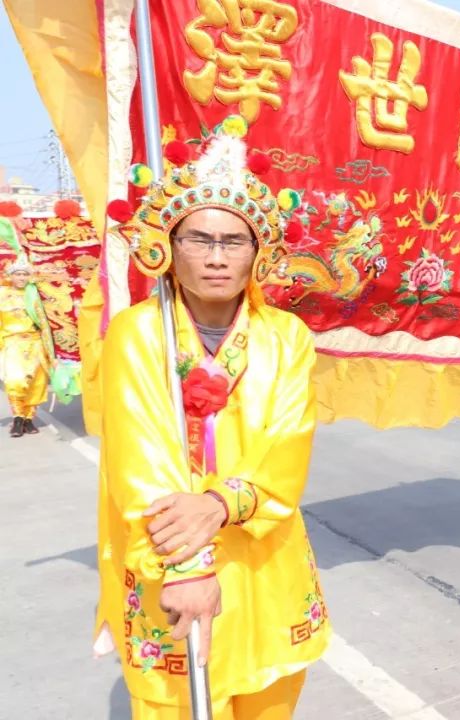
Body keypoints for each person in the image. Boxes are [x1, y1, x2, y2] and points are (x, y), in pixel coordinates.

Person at [95, 119, 329, 718]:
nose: (217, 258)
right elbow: (142, 460)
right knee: (177, 704)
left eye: (234, 242)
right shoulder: (137, 335)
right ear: (168, 248)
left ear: (259, 252)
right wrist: (184, 567)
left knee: (268, 698)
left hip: (263, 557)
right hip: (172, 561)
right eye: (199, 240)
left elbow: (286, 443)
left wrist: (222, 503)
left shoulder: (287, 337)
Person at [0, 254, 54, 437]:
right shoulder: (1, 294)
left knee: (36, 383)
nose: (21, 278)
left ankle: (29, 418)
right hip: (12, 342)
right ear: (11, 276)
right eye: (18, 274)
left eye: (24, 274)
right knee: (15, 381)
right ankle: (17, 417)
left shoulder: (36, 295)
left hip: (36, 343)